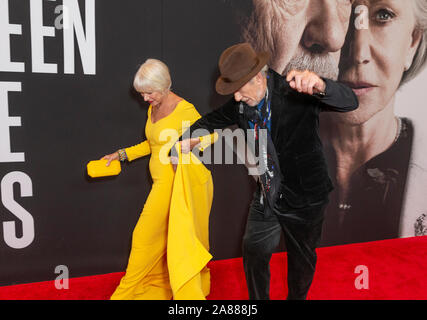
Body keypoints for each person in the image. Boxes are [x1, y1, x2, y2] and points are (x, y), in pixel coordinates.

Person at [178, 43, 358, 300]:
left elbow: (349, 102)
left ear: (257, 77)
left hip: (305, 197)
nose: (237, 98)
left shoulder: (294, 91)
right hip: (268, 193)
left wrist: (322, 85)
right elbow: (212, 120)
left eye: (239, 90)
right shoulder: (240, 104)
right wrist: (190, 138)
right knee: (253, 249)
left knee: (301, 263)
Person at [101, 58, 214, 300]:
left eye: (149, 93)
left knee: (148, 238)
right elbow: (152, 143)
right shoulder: (154, 108)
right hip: (161, 185)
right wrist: (121, 155)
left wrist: (192, 142)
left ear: (164, 87)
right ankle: (156, 286)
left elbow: (210, 136)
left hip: (177, 187)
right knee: (162, 242)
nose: (145, 99)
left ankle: (126, 294)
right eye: (142, 94)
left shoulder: (185, 110)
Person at [317, 0, 427, 244]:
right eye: (343, 10)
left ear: (413, 42)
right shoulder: (244, 164)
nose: (358, 54)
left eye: (384, 15)